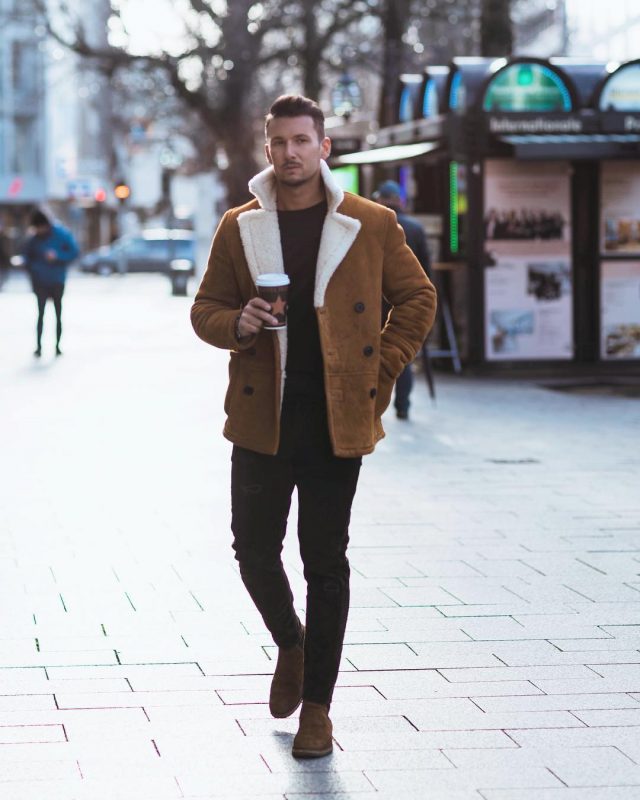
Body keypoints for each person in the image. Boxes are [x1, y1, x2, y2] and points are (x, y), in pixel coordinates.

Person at [191, 95, 436, 759]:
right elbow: (204, 310)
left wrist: (379, 369)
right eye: (280, 142)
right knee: (252, 550)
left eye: (303, 140)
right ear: (266, 149)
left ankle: (319, 711)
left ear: (325, 147)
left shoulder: (368, 222)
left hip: (336, 418)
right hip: (262, 417)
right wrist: (234, 323)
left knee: (325, 562)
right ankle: (291, 644)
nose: (291, 152)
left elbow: (417, 299)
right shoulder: (241, 226)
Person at [373, 180, 432, 420]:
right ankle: (403, 405)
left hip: (376, 301)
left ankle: (374, 403)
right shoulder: (415, 228)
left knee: (373, 351)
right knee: (402, 352)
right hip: (405, 301)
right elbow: (426, 271)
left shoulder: (373, 226)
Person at [23, 209, 79, 357]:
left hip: (57, 280)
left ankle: (57, 346)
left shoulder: (61, 234)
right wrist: (33, 270)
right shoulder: (33, 239)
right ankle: (39, 347)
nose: (39, 231)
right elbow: (27, 258)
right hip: (40, 281)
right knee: (40, 315)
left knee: (57, 314)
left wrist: (58, 256)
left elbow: (74, 252)